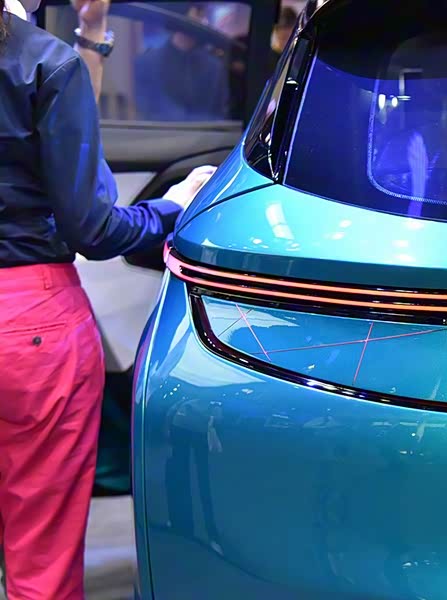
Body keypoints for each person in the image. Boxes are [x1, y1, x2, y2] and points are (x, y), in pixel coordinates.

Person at [0, 0, 215, 597]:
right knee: (41, 550)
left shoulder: (49, 59)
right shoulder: (42, 61)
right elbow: (92, 228)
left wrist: (90, 35)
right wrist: (171, 209)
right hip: (30, 324)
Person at [134, 3, 229, 121]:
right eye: (198, 13)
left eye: (204, 15)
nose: (204, 22)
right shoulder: (146, 64)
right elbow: (146, 112)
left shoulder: (214, 68)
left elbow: (219, 116)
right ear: (180, 16)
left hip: (205, 133)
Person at [265, 5, 298, 77]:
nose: (285, 43)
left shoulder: (301, 56)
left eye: (288, 38)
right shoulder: (268, 60)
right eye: (282, 38)